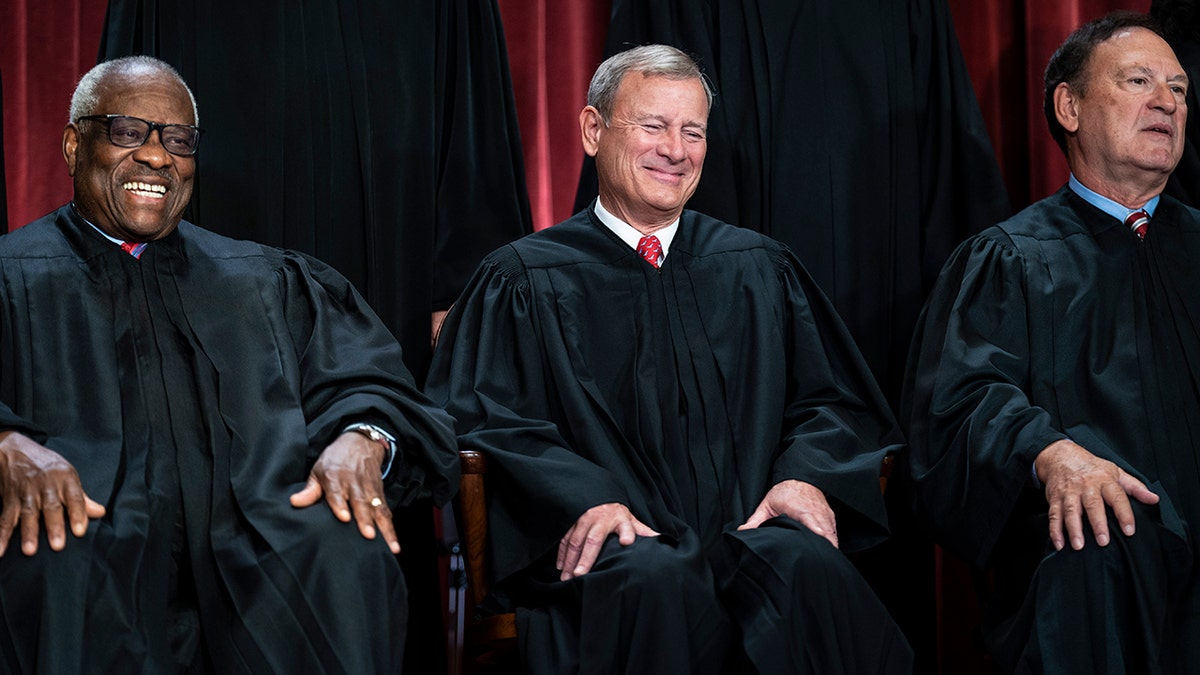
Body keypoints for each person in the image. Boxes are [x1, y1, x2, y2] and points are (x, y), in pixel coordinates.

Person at [427, 44, 912, 674]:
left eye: (693, 131)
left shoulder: (760, 269)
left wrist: (806, 476)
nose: (675, 150)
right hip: (613, 550)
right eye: (653, 126)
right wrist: (585, 497)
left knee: (806, 567)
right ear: (592, 130)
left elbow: (834, 401)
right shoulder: (521, 278)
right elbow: (482, 419)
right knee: (653, 581)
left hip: (751, 533)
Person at [0, 55, 459, 673]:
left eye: (178, 140)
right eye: (128, 132)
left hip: (261, 530)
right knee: (48, 558)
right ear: (73, 145)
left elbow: (368, 380)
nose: (158, 157)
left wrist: (361, 437)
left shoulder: (265, 279)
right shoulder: (11, 275)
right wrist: (5, 444)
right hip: (89, 528)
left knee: (344, 553)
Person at [902, 11, 1199, 673]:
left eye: (1178, 89)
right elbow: (955, 409)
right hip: (1108, 562)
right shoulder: (1009, 261)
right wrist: (1047, 450)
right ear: (1069, 105)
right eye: (1139, 80)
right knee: (1094, 547)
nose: (1168, 102)